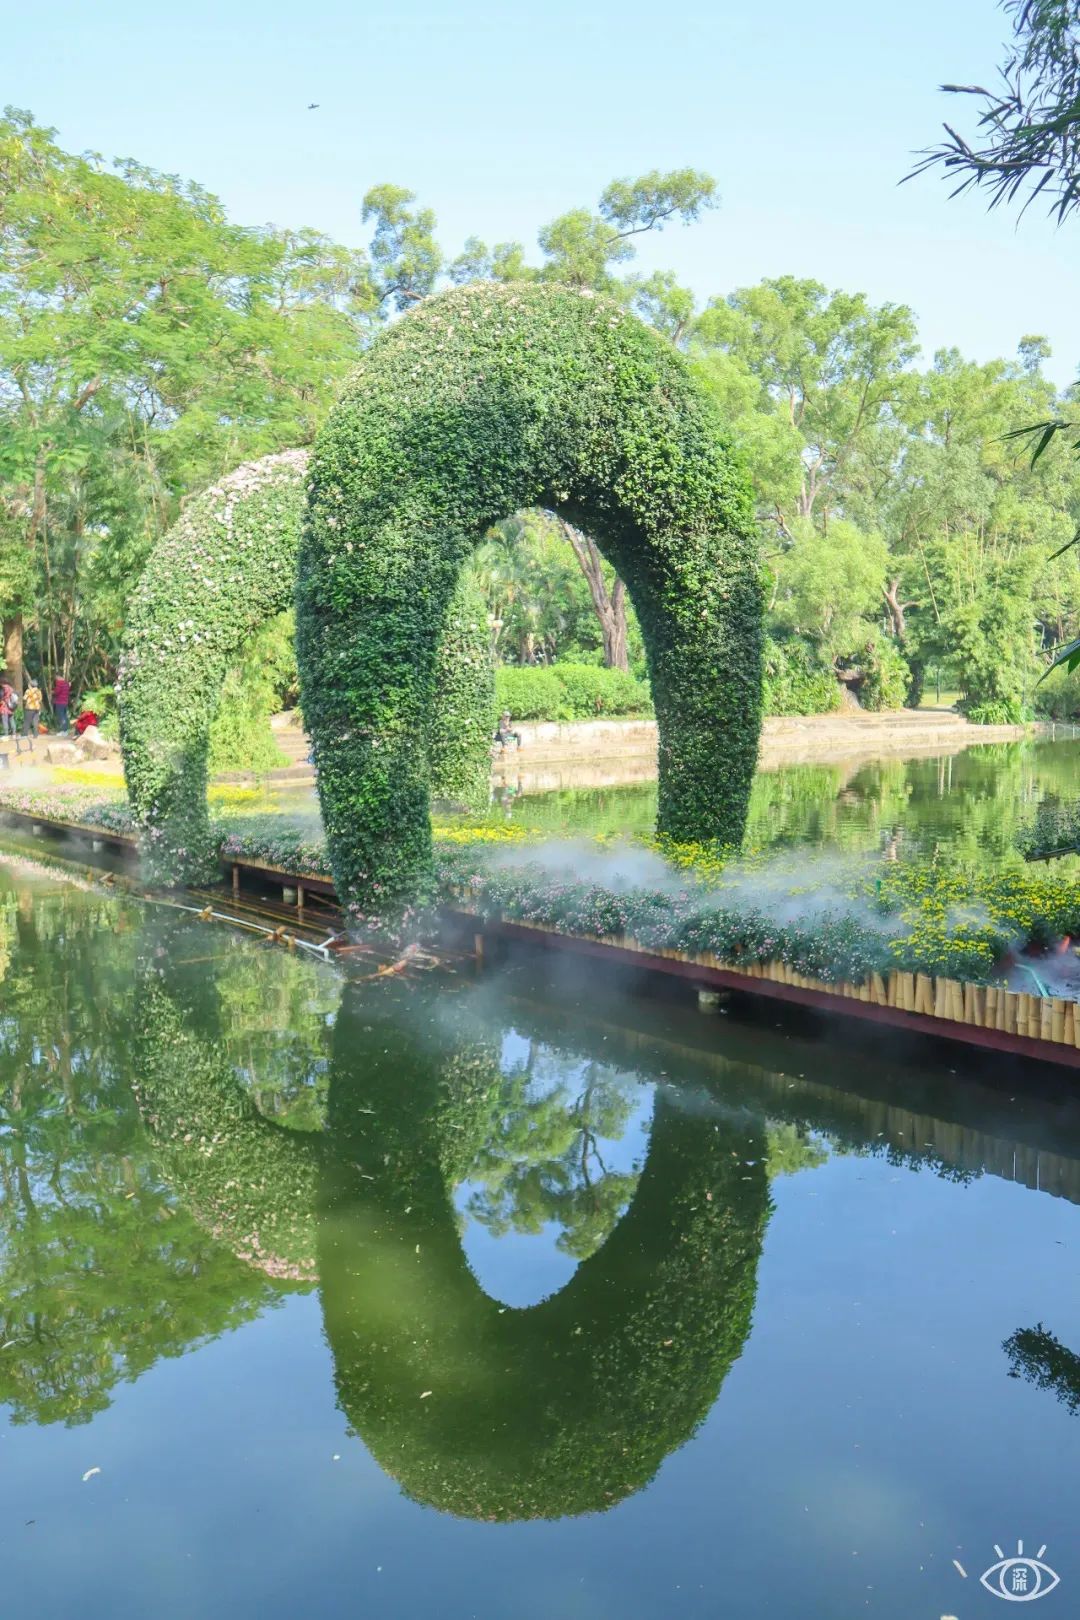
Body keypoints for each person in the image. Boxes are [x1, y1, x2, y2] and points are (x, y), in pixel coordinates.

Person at [21, 677, 42, 743]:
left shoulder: (28, 691)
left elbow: (24, 698)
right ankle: (35, 735)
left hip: (29, 708)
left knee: (27, 721)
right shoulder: (38, 691)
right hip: (37, 708)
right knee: (35, 721)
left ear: (30, 685)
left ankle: (24, 734)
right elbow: (40, 699)